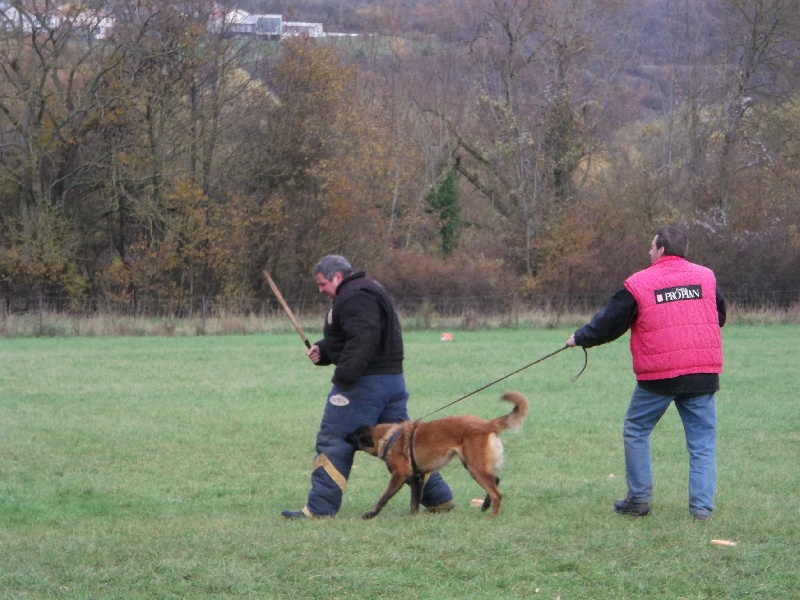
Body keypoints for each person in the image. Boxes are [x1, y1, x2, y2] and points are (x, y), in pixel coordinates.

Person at [566, 226, 725, 521]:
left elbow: (609, 323)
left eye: (651, 247)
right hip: (703, 373)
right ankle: (701, 510)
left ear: (662, 249)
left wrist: (580, 337)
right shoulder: (707, 277)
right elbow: (720, 316)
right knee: (702, 443)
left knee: (636, 430)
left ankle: (639, 500)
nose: (649, 252)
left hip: (660, 377)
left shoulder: (639, 283)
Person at [282, 255, 455, 519]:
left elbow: (364, 338)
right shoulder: (369, 288)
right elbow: (352, 336)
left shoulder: (354, 296)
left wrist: (344, 379)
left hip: (366, 383)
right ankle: (439, 500)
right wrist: (325, 351)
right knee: (405, 445)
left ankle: (319, 509)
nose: (320, 290)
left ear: (337, 277)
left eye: (322, 284)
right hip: (392, 381)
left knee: (334, 438)